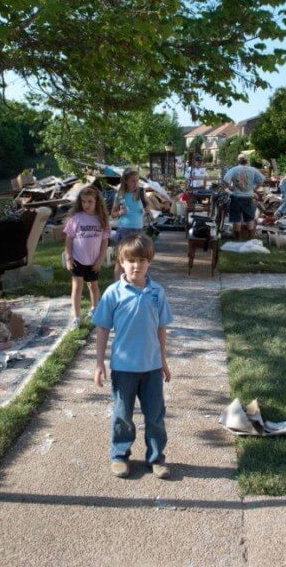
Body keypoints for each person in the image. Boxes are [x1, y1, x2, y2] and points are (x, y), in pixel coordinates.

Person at [92, 234, 173, 479]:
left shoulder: (157, 293)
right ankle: (119, 455)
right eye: (131, 260)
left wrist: (164, 361)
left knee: (155, 416)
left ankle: (156, 458)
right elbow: (103, 329)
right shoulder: (113, 293)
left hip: (151, 368)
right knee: (122, 415)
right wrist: (99, 363)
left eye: (142, 260)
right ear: (121, 262)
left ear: (150, 262)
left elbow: (161, 328)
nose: (137, 265)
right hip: (124, 368)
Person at [64, 186, 111, 328]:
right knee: (77, 287)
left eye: (90, 201)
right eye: (83, 202)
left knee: (93, 285)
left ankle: (94, 309)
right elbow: (69, 239)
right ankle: (77, 317)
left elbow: (105, 241)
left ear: (97, 201)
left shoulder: (102, 219)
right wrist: (69, 257)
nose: (86, 205)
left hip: (94, 261)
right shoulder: (76, 218)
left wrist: (101, 259)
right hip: (77, 259)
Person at [111, 168, 150, 279]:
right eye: (132, 181)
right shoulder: (120, 195)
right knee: (120, 260)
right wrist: (120, 212)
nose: (135, 183)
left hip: (138, 230)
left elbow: (148, 205)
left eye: (137, 180)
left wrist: (147, 209)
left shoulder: (141, 192)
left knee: (138, 259)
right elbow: (113, 214)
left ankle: (136, 282)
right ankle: (117, 286)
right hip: (124, 230)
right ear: (126, 181)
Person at [223, 154, 264, 239]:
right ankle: (250, 238)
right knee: (250, 218)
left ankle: (237, 238)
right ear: (247, 161)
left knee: (236, 218)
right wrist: (254, 189)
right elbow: (261, 180)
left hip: (236, 197)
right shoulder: (253, 170)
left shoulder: (234, 169)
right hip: (248, 197)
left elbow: (226, 179)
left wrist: (230, 187)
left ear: (238, 161)